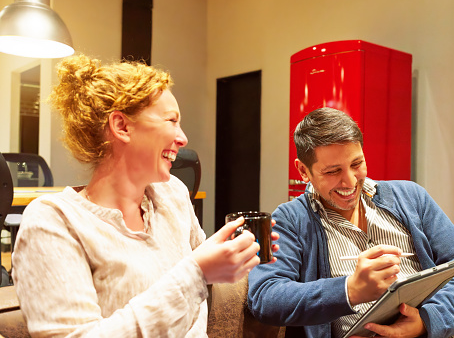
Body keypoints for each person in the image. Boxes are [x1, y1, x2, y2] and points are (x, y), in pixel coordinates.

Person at [12, 54, 278, 337]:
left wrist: (232, 254)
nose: (183, 138)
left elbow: (198, 268)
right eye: (172, 121)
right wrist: (197, 274)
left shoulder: (172, 193)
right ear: (122, 126)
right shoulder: (54, 221)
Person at [248, 107, 454, 338]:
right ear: (303, 171)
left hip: (443, 329)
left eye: (356, 164)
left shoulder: (410, 197)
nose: (349, 182)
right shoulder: (291, 220)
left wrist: (425, 322)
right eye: (333, 171)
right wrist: (350, 290)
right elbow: (266, 297)